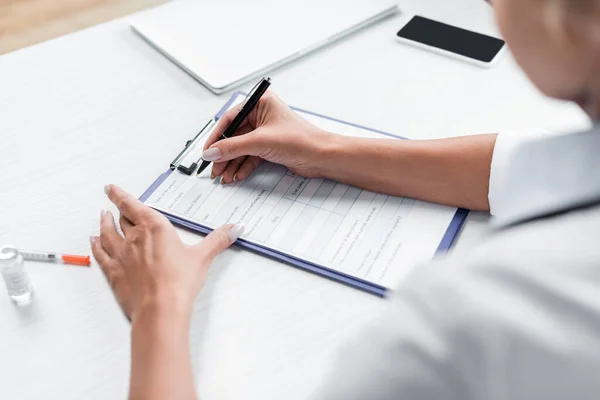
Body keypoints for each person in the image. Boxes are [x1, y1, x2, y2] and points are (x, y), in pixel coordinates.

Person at [90, 0, 600, 398]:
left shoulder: (478, 316)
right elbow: (525, 165)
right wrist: (324, 150)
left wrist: (160, 306)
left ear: (566, 22)